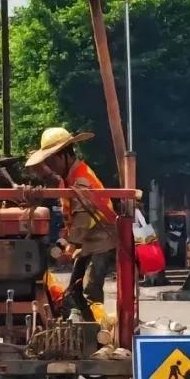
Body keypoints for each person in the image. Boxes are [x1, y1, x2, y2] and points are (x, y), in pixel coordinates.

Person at [25, 125, 116, 322]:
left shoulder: (80, 178)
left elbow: (83, 219)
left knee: (89, 291)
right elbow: (73, 217)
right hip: (89, 242)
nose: (50, 165)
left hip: (101, 242)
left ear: (64, 155)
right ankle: (87, 329)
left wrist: (70, 244)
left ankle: (100, 335)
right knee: (73, 293)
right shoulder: (69, 178)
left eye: (51, 160)